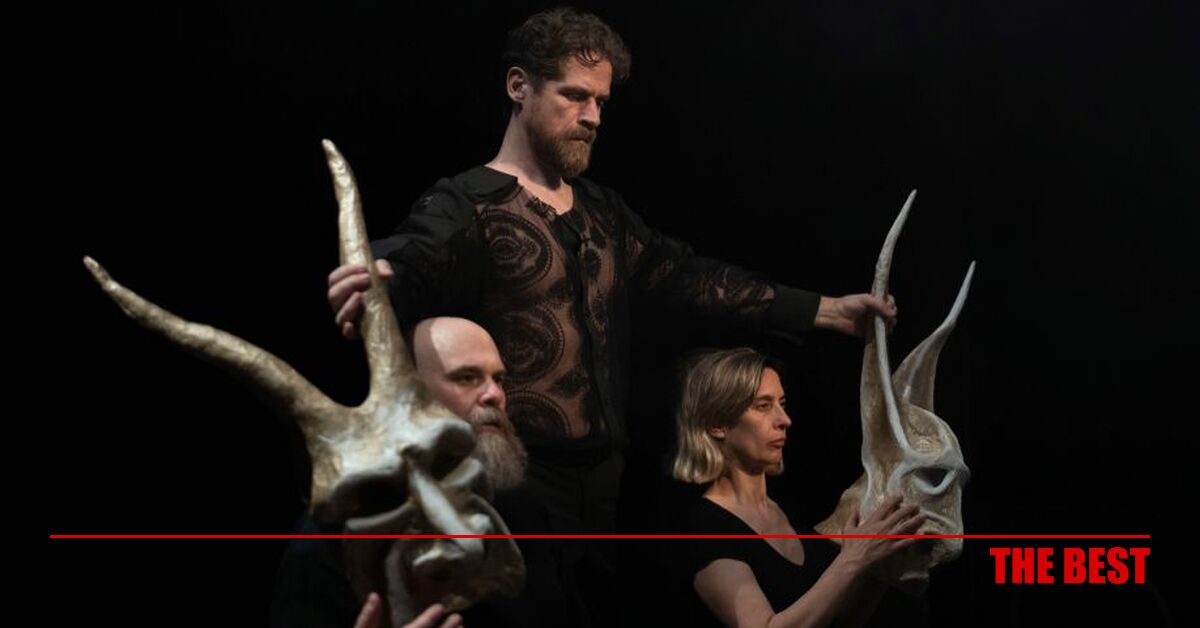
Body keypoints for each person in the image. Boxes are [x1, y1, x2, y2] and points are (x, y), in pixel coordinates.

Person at [326, 5, 897, 540]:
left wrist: (826, 310)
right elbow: (412, 259)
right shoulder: (467, 203)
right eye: (575, 96)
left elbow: (692, 281)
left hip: (604, 488)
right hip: (510, 482)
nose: (593, 117)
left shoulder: (603, 213)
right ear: (519, 87)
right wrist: (377, 275)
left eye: (601, 101)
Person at [271, 317, 579, 628]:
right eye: (467, 378)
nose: (494, 395)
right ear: (409, 396)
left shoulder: (522, 509)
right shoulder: (333, 539)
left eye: (498, 379)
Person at [672, 348, 922, 627]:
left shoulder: (787, 509)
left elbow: (838, 621)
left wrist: (884, 564)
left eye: (782, 403)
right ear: (717, 424)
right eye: (763, 406)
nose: (784, 420)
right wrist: (853, 559)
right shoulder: (705, 527)